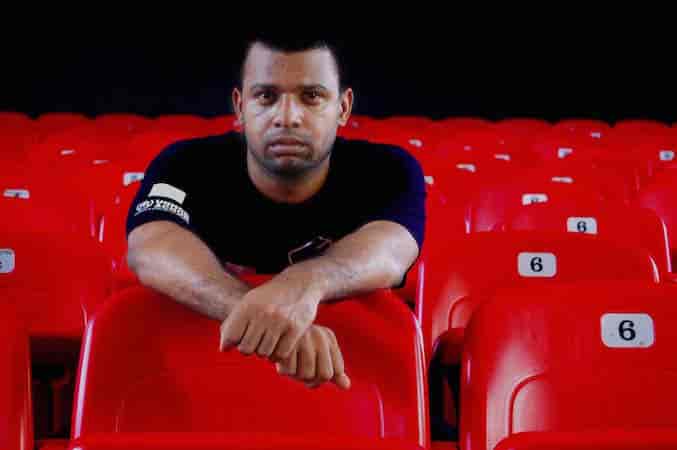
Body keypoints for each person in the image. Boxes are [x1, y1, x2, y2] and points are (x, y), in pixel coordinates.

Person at [125, 35, 426, 390]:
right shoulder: (183, 165)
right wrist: (263, 314)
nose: (287, 117)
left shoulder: (388, 170)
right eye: (266, 96)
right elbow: (151, 245)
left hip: (345, 386)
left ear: (343, 108)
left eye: (311, 96)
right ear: (240, 107)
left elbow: (392, 251)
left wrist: (304, 281)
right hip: (201, 383)